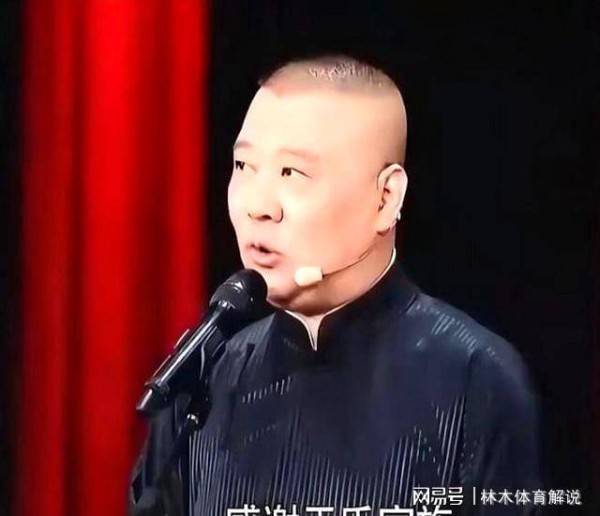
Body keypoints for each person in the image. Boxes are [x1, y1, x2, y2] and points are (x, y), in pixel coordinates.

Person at [130, 55, 542, 516]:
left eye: (291, 173)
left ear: (386, 198)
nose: (258, 206)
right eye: (244, 166)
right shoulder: (203, 383)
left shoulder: (475, 377)